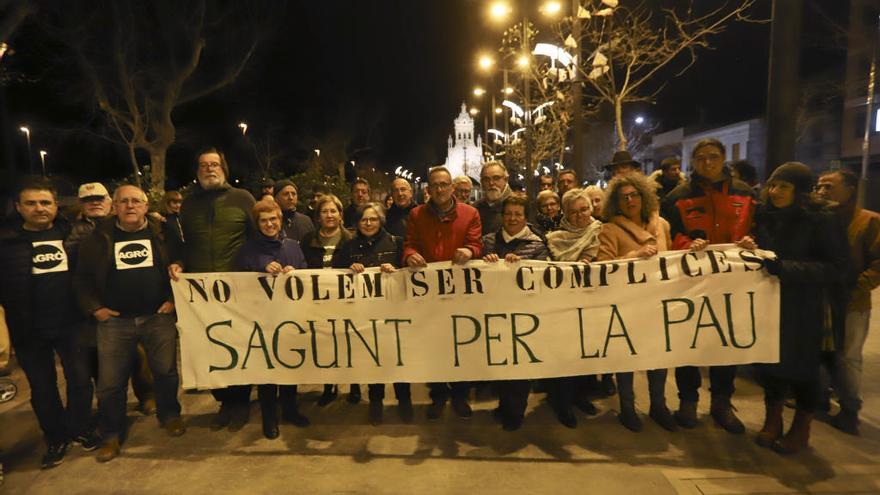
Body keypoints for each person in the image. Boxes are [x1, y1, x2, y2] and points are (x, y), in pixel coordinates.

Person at [75, 184, 185, 462]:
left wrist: (173, 298)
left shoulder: (163, 233)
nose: (130, 206)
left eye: (136, 201)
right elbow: (81, 279)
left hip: (157, 317)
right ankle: (111, 434)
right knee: (111, 383)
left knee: (166, 371)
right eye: (124, 201)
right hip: (115, 322)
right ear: (114, 206)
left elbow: (181, 263)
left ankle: (170, 415)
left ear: (146, 206)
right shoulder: (97, 238)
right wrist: (95, 308)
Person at [747, 162, 849, 454]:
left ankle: (801, 429)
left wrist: (786, 269)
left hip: (809, 307)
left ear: (800, 191)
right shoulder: (766, 215)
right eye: (773, 185)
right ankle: (773, 420)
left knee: (804, 370)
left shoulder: (822, 218)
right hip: (772, 302)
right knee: (771, 364)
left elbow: (837, 267)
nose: (775, 191)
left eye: (784, 186)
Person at [661, 137, 756, 434]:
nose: (707, 163)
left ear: (723, 158)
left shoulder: (745, 194)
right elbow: (666, 235)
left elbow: (759, 230)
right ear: (693, 160)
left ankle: (721, 403)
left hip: (732, 284)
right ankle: (687, 401)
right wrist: (686, 243)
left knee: (725, 343)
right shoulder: (677, 197)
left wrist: (752, 243)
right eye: (701, 158)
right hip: (691, 284)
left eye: (712, 157)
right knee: (688, 342)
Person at [0, 178, 97, 468]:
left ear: (56, 206)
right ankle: (55, 437)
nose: (39, 208)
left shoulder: (74, 235)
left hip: (72, 324)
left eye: (45, 202)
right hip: (29, 329)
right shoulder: (5, 243)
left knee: (80, 380)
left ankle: (80, 427)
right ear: (19, 207)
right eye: (31, 203)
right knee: (42, 388)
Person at [168, 147, 256, 432]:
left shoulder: (243, 199)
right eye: (203, 165)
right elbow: (184, 245)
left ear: (224, 169)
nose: (209, 169)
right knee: (211, 349)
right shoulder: (189, 204)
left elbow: (257, 240)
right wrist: (179, 262)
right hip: (201, 294)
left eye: (214, 164)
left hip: (238, 290)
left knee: (240, 347)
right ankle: (224, 402)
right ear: (197, 171)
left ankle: (241, 402)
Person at [69, 182, 157, 420]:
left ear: (110, 203)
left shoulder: (130, 227)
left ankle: (146, 395)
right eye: (88, 200)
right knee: (102, 365)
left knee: (139, 357)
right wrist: (93, 307)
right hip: (91, 308)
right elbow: (79, 275)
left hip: (126, 308)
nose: (94, 203)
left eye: (99, 199)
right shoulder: (72, 231)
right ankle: (109, 415)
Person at [597, 173, 677, 432]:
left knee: (660, 355)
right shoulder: (609, 229)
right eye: (624, 197)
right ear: (616, 203)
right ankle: (628, 408)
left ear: (644, 196)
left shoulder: (662, 225)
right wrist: (633, 255)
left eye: (634, 195)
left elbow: (674, 259)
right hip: (628, 303)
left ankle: (659, 406)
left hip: (659, 302)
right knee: (627, 357)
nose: (630, 200)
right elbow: (602, 266)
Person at [404, 166, 482, 420]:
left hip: (461, 293)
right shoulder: (417, 215)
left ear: (451, 187)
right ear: (428, 189)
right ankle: (438, 395)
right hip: (430, 296)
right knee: (435, 347)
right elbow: (410, 244)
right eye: (434, 185)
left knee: (462, 345)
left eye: (444, 184)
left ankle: (460, 395)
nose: (439, 189)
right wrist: (410, 255)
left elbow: (476, 243)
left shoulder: (470, 213)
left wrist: (470, 251)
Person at [234, 199, 310, 438]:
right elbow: (236, 282)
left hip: (290, 317)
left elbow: (307, 273)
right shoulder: (247, 249)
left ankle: (289, 409)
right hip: (262, 319)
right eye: (264, 220)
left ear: (280, 219)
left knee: (290, 365)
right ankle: (269, 418)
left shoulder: (292, 246)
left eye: (273, 219)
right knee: (267, 370)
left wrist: (295, 273)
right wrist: (260, 271)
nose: (269, 224)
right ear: (258, 224)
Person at [331, 202, 412, 425]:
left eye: (373, 219)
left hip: (394, 311)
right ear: (357, 223)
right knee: (374, 359)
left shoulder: (395, 242)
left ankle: (404, 401)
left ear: (381, 221)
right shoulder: (349, 247)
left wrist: (395, 270)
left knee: (397, 359)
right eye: (364, 220)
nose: (368, 223)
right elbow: (334, 273)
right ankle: (376, 402)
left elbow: (408, 268)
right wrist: (350, 268)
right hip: (365, 313)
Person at [815, 168, 880, 435]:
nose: (821, 192)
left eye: (829, 187)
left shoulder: (868, 221)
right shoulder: (818, 219)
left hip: (852, 303)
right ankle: (819, 399)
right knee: (820, 352)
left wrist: (857, 288)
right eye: (819, 187)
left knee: (848, 357)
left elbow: (877, 265)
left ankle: (850, 408)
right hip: (820, 300)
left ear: (851, 189)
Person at [481, 193, 549, 431]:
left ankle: (515, 413)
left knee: (519, 367)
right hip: (495, 313)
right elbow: (477, 274)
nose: (512, 218)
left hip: (523, 316)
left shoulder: (538, 244)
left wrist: (520, 266)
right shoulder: (488, 241)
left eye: (517, 214)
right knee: (500, 363)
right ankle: (503, 404)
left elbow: (542, 278)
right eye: (508, 214)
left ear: (525, 218)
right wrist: (486, 262)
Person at [544, 188, 603, 427]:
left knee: (586, 354)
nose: (580, 216)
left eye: (584, 210)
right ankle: (562, 402)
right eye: (573, 212)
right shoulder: (554, 239)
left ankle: (581, 396)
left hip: (591, 304)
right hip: (563, 306)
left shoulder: (600, 232)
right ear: (565, 214)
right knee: (564, 355)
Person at [300, 194, 358, 405]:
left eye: (333, 211)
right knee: (326, 344)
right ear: (318, 216)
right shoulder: (308, 240)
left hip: (346, 302)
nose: (329, 215)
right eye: (324, 211)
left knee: (349, 343)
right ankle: (328, 386)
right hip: (319, 304)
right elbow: (302, 268)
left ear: (341, 215)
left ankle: (354, 386)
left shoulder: (352, 239)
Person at [473, 161, 511, 236]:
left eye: (496, 178)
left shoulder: (519, 205)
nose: (491, 183)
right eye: (486, 179)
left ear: (506, 180)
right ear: (481, 182)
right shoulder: (475, 208)